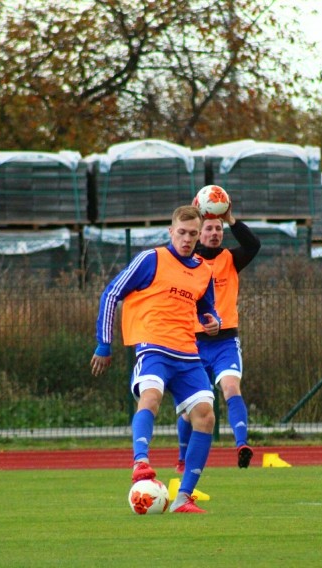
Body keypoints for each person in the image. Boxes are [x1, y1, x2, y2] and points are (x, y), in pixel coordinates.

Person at [91, 205, 220, 513]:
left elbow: (208, 309)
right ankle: (141, 463)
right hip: (154, 347)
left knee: (206, 416)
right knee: (151, 397)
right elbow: (111, 293)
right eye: (182, 233)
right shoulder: (152, 259)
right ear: (170, 232)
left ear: (200, 235)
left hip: (188, 353)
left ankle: (182, 498)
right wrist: (103, 344)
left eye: (193, 234)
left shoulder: (204, 270)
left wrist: (212, 321)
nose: (187, 239)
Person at [175, 205, 260, 472]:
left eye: (218, 229)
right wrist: (191, 214)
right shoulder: (189, 262)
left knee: (231, 389)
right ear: (199, 233)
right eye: (208, 228)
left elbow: (253, 244)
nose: (214, 233)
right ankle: (181, 458)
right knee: (191, 409)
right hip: (194, 343)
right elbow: (174, 244)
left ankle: (242, 444)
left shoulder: (230, 259)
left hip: (225, 342)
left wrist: (231, 218)